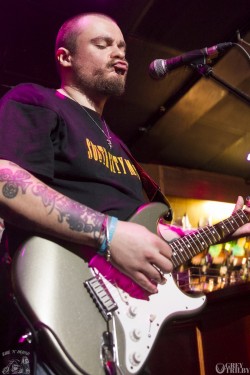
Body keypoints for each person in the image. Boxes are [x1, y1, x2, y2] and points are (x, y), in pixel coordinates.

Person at [0, 12, 249, 375]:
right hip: (56, 311)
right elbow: (7, 183)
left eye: (121, 46)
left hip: (120, 331)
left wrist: (227, 228)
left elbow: (155, 237)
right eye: (102, 44)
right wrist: (109, 233)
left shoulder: (121, 149)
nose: (118, 53)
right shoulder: (37, 101)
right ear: (65, 57)